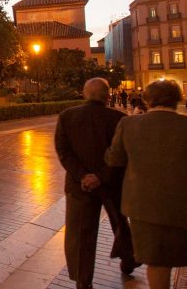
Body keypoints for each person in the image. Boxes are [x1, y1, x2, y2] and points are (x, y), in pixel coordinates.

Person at [105, 80, 187, 289]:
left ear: (147, 100)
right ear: (177, 99)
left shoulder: (128, 125)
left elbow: (114, 160)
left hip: (146, 209)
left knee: (157, 262)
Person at [55, 78, 137, 289]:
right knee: (121, 225)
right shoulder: (119, 119)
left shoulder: (67, 116)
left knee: (80, 234)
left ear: (84, 94)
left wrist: (83, 176)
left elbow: (63, 151)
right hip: (112, 185)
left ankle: (83, 281)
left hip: (79, 185)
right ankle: (129, 260)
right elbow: (122, 154)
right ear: (108, 96)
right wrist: (101, 176)